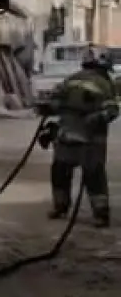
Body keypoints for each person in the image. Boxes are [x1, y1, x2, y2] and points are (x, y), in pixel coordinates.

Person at [46, 48, 119, 227]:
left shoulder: (71, 79)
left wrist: (51, 111)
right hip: (91, 140)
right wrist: (95, 119)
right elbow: (112, 110)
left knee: (60, 172)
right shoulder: (104, 84)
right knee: (94, 176)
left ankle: (60, 206)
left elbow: (53, 102)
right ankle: (100, 214)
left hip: (67, 135)